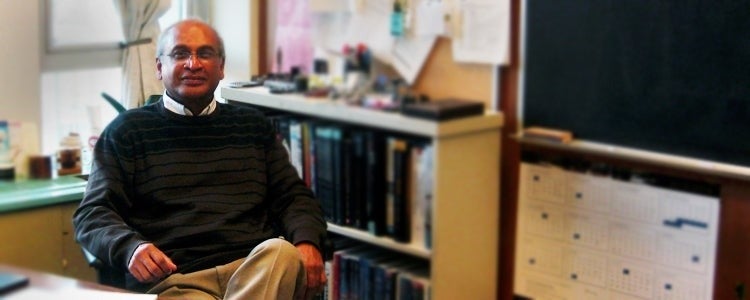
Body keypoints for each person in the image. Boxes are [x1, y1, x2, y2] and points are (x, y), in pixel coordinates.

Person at [73, 19, 328, 300]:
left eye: (205, 54)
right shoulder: (126, 132)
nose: (193, 64)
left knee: (283, 253)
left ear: (221, 67)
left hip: (253, 269)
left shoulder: (252, 127)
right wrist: (130, 247)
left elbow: (294, 196)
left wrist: (307, 241)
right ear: (159, 67)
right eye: (180, 54)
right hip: (177, 280)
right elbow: (92, 213)